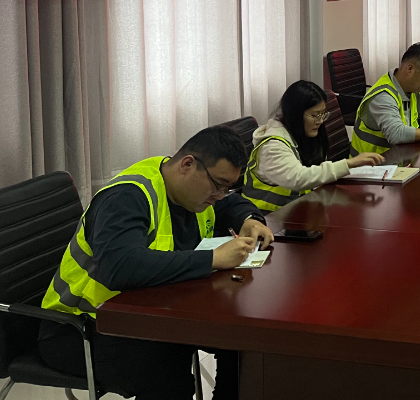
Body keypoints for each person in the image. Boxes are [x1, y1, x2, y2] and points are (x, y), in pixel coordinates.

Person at [38, 126, 275, 400]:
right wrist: (212, 258)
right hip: (81, 329)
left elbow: (230, 203)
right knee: (168, 371)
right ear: (187, 164)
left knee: (240, 339)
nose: (220, 195)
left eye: (227, 187)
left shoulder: (188, 190)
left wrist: (250, 218)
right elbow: (119, 267)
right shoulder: (126, 198)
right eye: (217, 185)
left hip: (147, 315)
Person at [241, 80, 386, 213]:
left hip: (296, 211)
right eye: (315, 115)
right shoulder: (273, 146)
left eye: (323, 114)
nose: (321, 121)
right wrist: (349, 164)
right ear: (296, 114)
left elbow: (314, 175)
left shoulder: (302, 135)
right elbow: (298, 178)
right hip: (267, 219)